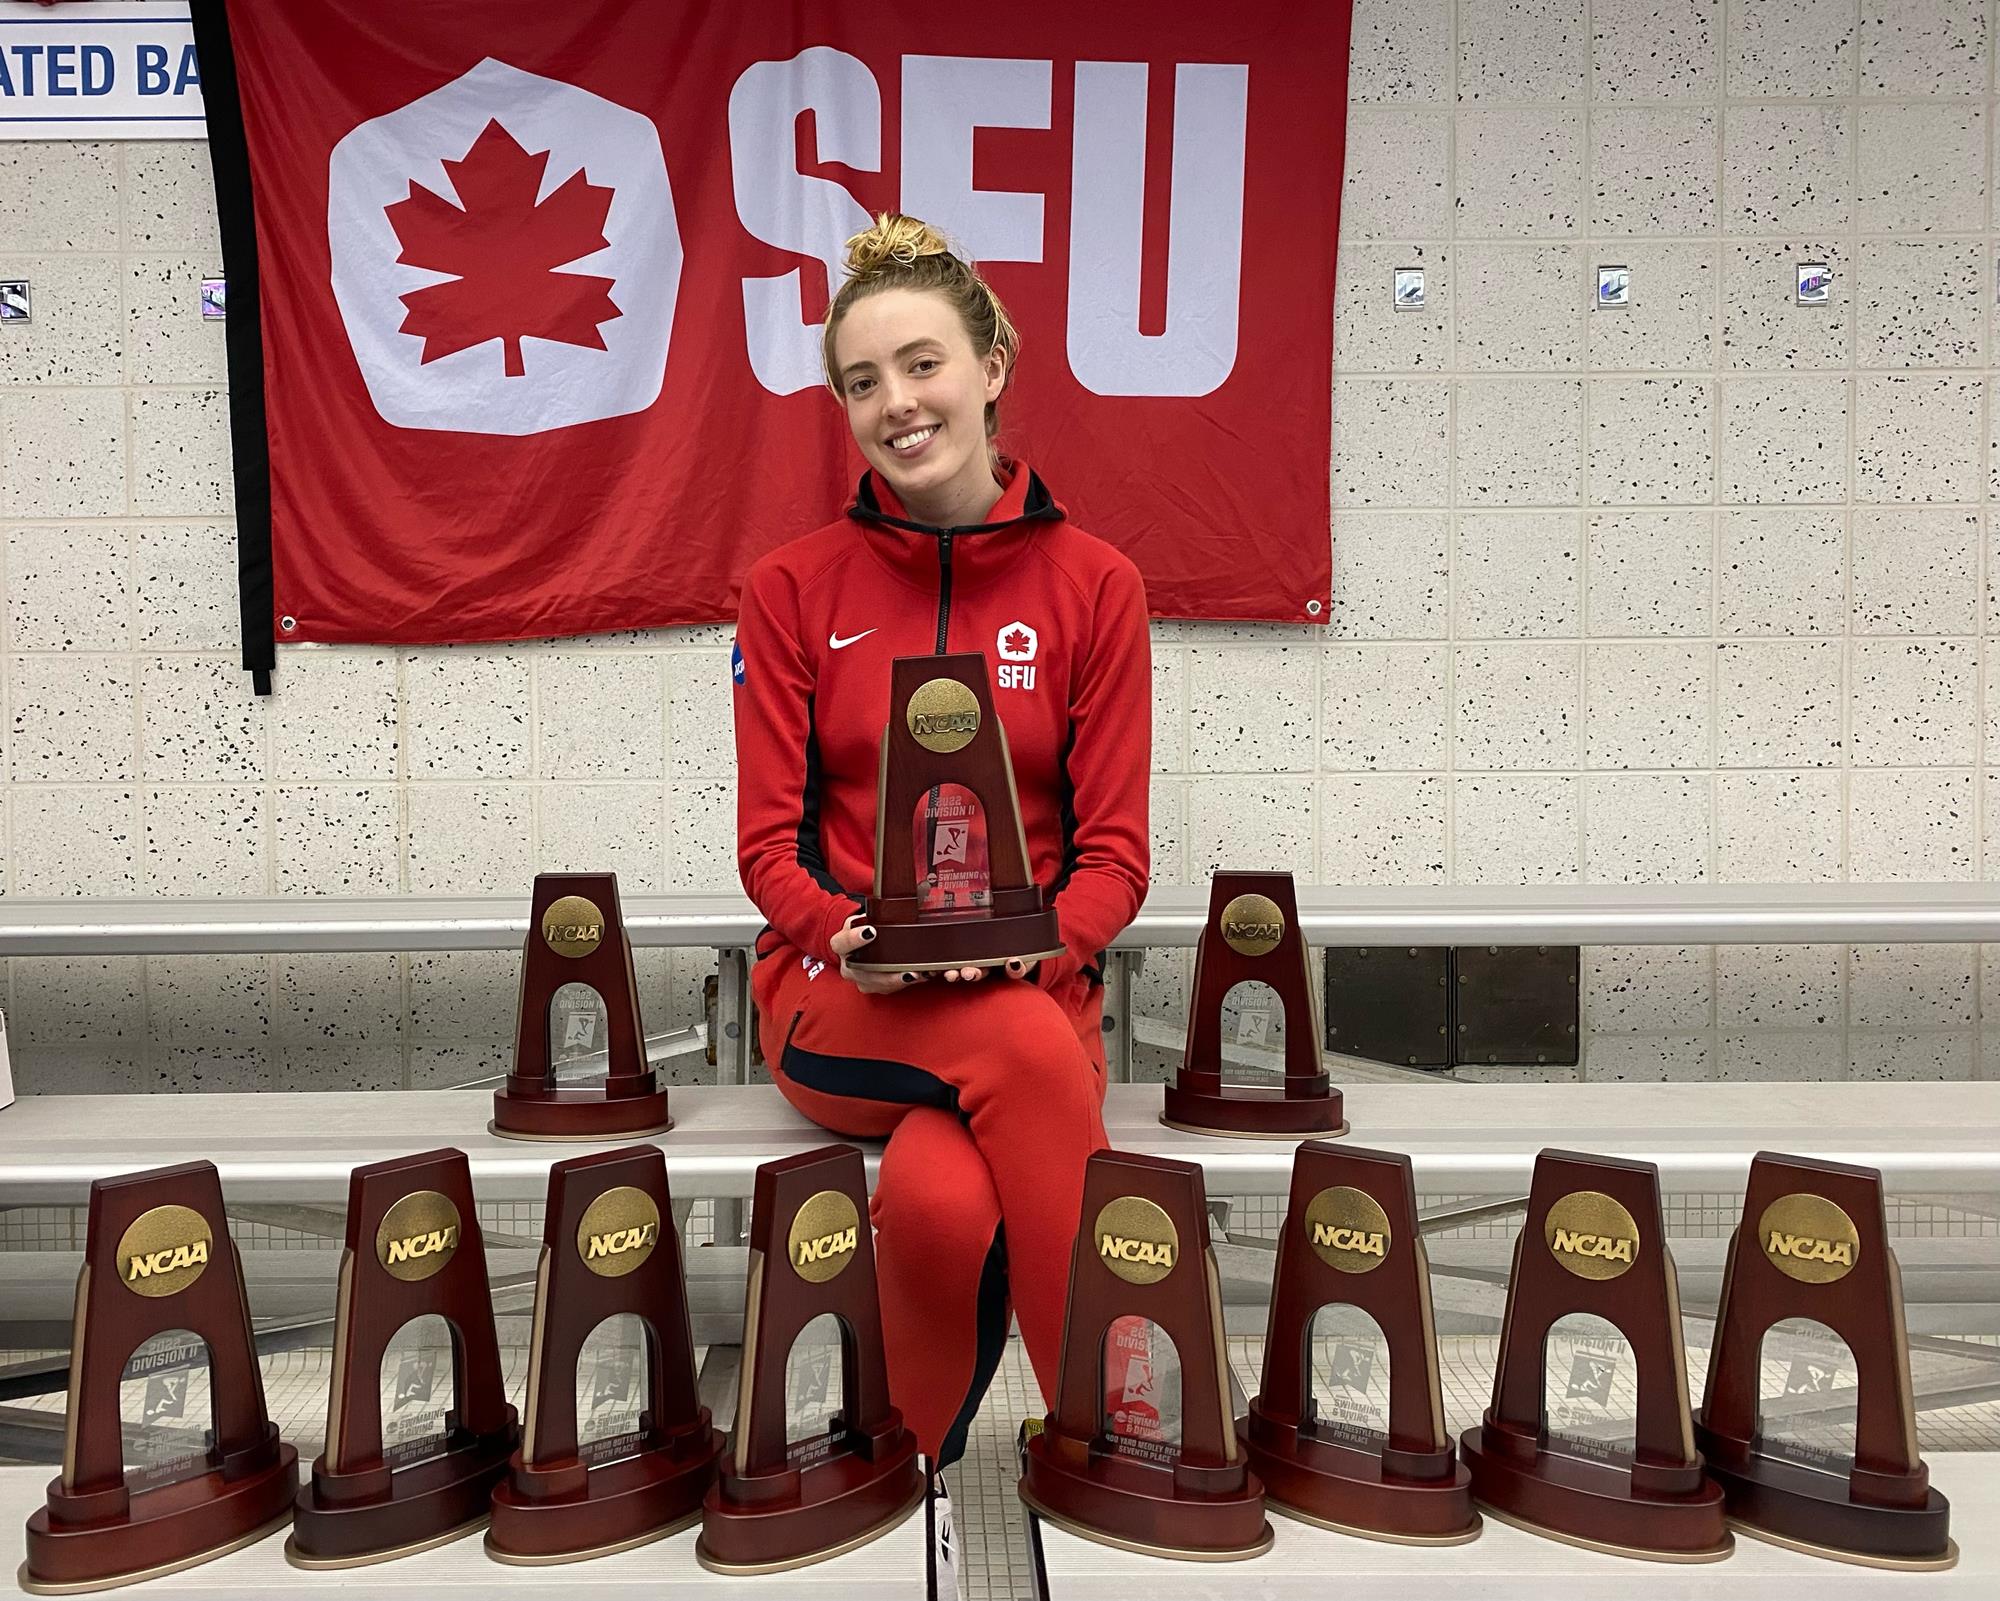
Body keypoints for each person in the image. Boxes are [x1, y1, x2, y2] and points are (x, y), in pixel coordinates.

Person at [731, 213, 1151, 1473]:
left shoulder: (1095, 585)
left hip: (1030, 992)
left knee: (937, 1194)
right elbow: (766, 846)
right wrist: (840, 933)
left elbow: (1116, 856)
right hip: (840, 999)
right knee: (1022, 1057)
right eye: (861, 382)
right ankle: (1113, 1426)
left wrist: (1026, 947)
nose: (895, 404)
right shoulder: (791, 588)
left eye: (921, 364)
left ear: (991, 365)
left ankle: (900, 1454)